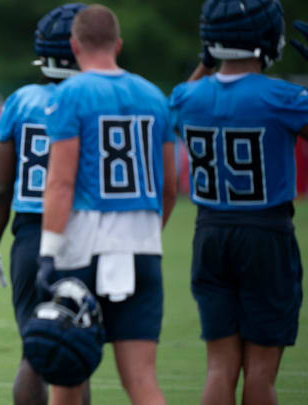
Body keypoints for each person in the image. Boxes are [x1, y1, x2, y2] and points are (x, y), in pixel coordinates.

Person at [37, 5, 177, 404]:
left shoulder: (71, 93)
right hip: (142, 248)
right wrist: (146, 235)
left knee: (68, 375)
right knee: (142, 381)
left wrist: (48, 253)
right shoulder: (153, 95)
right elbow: (170, 186)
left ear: (74, 44)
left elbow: (61, 183)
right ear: (118, 44)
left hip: (84, 248)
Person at [169, 1, 307, 404]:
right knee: (261, 373)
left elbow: (182, 98)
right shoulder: (283, 97)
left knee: (219, 367)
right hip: (266, 233)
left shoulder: (186, 97)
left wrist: (207, 59)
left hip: (210, 233)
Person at [0, 4, 91, 405]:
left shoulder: (21, 101)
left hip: (29, 234)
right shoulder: (96, 96)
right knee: (80, 346)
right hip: (83, 230)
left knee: (35, 346)